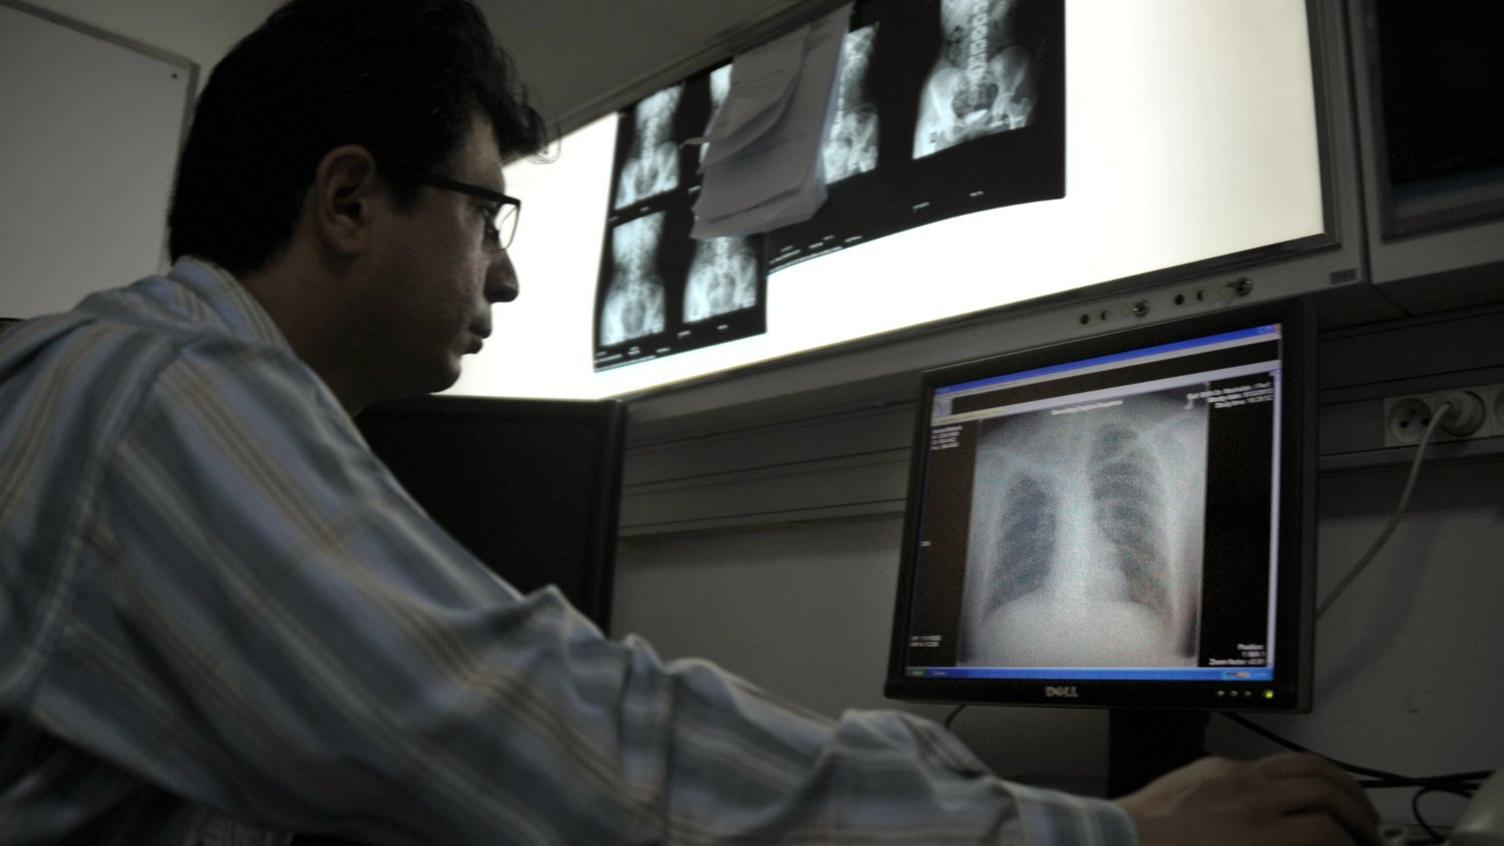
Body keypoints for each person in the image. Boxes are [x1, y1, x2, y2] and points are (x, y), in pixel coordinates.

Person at [0, 1, 1381, 843]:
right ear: (350, 202)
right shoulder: (164, 403)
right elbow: (551, 733)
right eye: (489, 212)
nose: (509, 272)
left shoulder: (134, 382)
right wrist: (1101, 838)